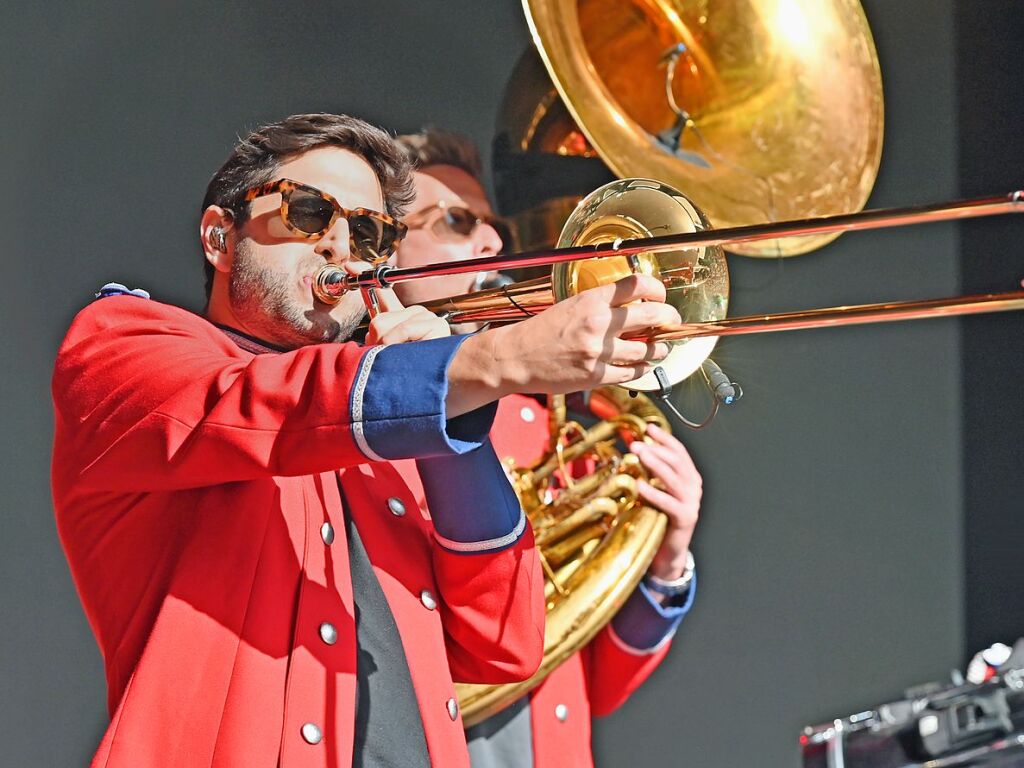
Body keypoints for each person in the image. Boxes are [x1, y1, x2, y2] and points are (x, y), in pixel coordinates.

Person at [50, 113, 683, 768]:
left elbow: (506, 640)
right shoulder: (121, 340)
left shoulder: (388, 440)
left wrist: (452, 426)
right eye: (306, 212)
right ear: (218, 235)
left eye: (367, 232)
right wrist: (493, 362)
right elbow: (259, 404)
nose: (338, 245)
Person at [393, 129, 701, 767]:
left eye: (494, 225)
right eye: (457, 221)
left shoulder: (545, 423)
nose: (494, 244)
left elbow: (600, 683)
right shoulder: (357, 415)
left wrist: (666, 564)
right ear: (387, 249)